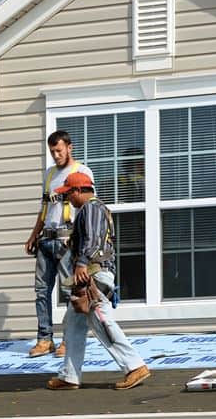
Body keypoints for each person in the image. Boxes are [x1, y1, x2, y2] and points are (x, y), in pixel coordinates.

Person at [46, 171, 150, 390]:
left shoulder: (91, 207)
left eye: (69, 194)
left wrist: (82, 263)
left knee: (101, 319)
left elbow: (92, 239)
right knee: (74, 323)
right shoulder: (93, 209)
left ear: (78, 190)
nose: (68, 200)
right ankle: (69, 376)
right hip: (90, 273)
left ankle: (134, 366)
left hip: (94, 272)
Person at [24, 130, 94, 358]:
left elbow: (89, 209)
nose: (55, 155)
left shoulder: (81, 172)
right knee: (41, 291)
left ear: (69, 148)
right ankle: (45, 339)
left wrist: (84, 242)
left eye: (59, 150)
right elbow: (44, 208)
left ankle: (68, 340)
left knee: (69, 291)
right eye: (52, 151)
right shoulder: (49, 174)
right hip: (47, 238)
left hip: (68, 239)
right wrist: (34, 235)